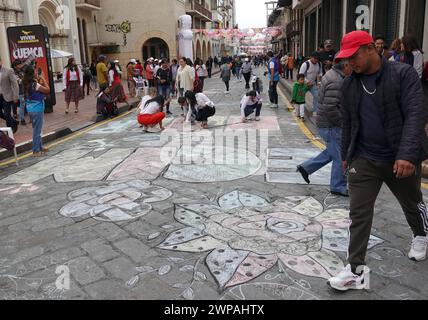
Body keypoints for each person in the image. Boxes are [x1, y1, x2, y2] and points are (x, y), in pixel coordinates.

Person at [327, 31, 428, 291]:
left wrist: (406, 154)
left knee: (412, 203)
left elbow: (416, 115)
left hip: (399, 158)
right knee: (358, 214)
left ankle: (420, 235)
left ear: (371, 48)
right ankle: (355, 270)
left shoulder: (402, 74)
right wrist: (345, 156)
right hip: (364, 158)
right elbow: (348, 122)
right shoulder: (350, 83)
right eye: (345, 59)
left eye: (353, 56)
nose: (349, 63)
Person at [296, 59, 353, 197]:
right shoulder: (336, 81)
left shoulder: (334, 75)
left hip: (328, 123)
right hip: (331, 125)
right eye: (352, 65)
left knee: (332, 152)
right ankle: (337, 186)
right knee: (340, 156)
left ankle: (306, 167)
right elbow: (331, 107)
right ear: (345, 65)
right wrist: (342, 123)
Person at [22, 64, 50, 157]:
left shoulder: (26, 83)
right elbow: (47, 90)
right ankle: (35, 150)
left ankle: (40, 146)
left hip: (30, 108)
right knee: (37, 130)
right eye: (34, 72)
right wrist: (43, 79)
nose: (36, 73)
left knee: (37, 128)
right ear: (31, 74)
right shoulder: (35, 85)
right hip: (37, 109)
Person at [0, 56, 19, 133]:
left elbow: (15, 84)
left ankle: (9, 131)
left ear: (1, 61)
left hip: (7, 96)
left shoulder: (8, 71)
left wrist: (15, 96)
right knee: (0, 114)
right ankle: (14, 122)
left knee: (7, 114)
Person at [11, 60, 26, 126]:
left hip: (23, 90)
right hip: (18, 92)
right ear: (15, 66)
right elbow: (18, 82)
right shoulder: (13, 72)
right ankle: (22, 120)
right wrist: (23, 79)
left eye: (20, 64)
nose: (20, 66)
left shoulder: (20, 71)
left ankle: (21, 118)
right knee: (21, 106)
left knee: (22, 105)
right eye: (19, 65)